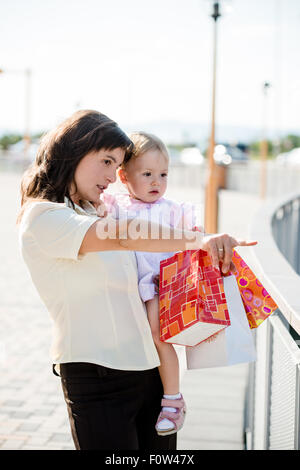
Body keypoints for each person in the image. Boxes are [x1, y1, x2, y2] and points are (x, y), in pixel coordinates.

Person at [18, 109, 257, 451]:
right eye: (106, 162)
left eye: (116, 164)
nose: (112, 176)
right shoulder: (45, 217)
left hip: (148, 369)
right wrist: (196, 240)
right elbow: (124, 235)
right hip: (97, 375)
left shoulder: (96, 209)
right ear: (75, 151)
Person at [99, 132, 203, 437]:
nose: (156, 181)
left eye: (163, 174)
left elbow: (194, 226)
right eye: (147, 174)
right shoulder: (116, 206)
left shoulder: (171, 209)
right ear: (123, 176)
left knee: (160, 335)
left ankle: (173, 400)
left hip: (161, 284)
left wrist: (198, 230)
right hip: (129, 285)